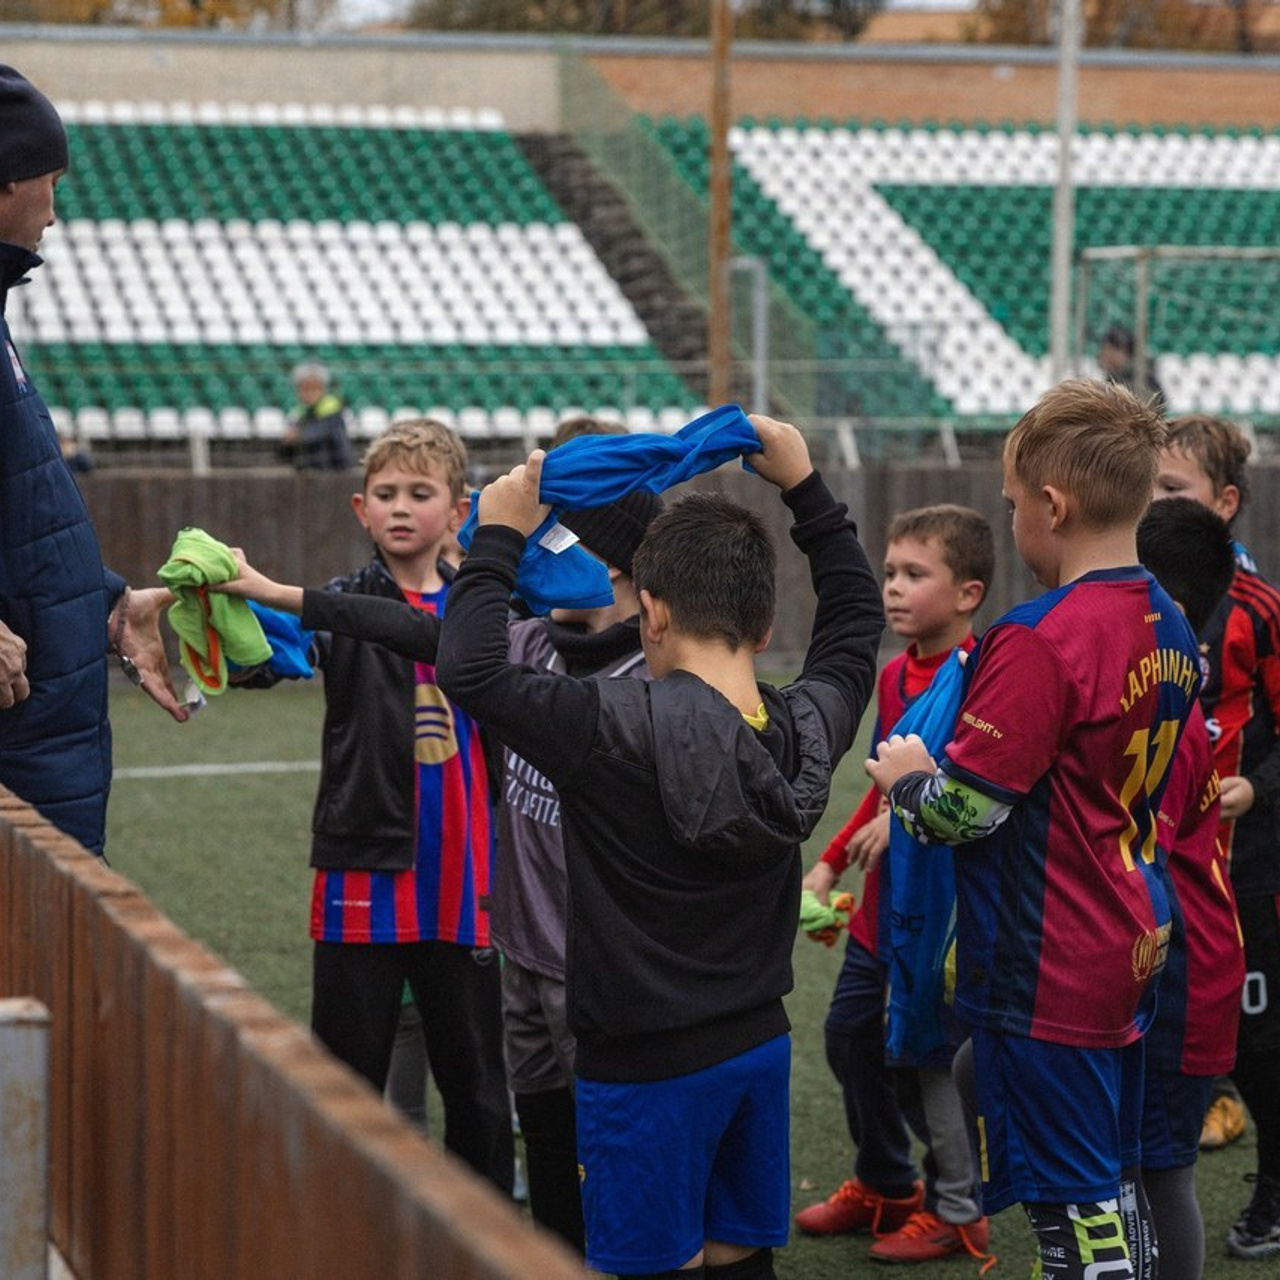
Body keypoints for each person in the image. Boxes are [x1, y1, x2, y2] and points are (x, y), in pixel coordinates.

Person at [434, 417, 884, 1280]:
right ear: (761, 626)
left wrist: (496, 535)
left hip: (639, 1071)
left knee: (649, 1261)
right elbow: (856, 618)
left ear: (655, 611)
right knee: (739, 1253)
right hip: (757, 1044)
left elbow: (472, 671)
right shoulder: (807, 723)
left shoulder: (609, 728)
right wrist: (804, 487)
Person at [867, 379, 1200, 1279]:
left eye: (1012, 506)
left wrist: (906, 781)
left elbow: (963, 811)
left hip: (1050, 966)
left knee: (1076, 1216)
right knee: (1112, 1186)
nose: (1012, 521)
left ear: (1050, 506)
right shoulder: (1169, 620)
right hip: (1131, 935)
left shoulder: (1040, 636)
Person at [221, 418, 513, 1193]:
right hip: (363, 874)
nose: (400, 507)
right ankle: (337, 1229)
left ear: (459, 511)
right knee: (344, 1087)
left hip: (465, 883)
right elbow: (270, 657)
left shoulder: (489, 616)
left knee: (480, 1093)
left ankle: (475, 1240)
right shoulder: (338, 604)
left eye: (421, 492)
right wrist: (214, 624)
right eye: (385, 493)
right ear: (359, 508)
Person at [798, 504, 992, 1264]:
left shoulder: (981, 678)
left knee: (928, 1064)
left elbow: (972, 791)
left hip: (939, 916)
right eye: (889, 573)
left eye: (916, 574)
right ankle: (885, 1181)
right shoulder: (893, 673)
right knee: (849, 1038)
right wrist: (830, 858)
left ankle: (958, 1209)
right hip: (884, 910)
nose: (894, 589)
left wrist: (913, 813)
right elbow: (884, 790)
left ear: (968, 593)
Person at [0, 64, 187, 855]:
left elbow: (21, 518)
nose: (56, 207)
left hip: (41, 744)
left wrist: (104, 604)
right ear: (9, 182)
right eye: (53, 179)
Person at [1152, 414, 1280, 1260]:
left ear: (1225, 502)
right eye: (1146, 487)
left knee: (1255, 1036)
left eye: (1172, 490)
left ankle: (1272, 1187)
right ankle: (1151, 1186)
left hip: (1247, 860)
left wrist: (1254, 789)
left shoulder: (1259, 612)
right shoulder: (1127, 595)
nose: (1151, 503)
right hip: (1157, 859)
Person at [1135, 496, 1246, 1279]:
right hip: (1177, 958)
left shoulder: (1165, 709)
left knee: (1161, 1167)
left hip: (1183, 969)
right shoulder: (1172, 687)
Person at [278, 361, 354, 471]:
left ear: (323, 388)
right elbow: (285, 453)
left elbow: (317, 435)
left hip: (333, 473)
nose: (309, 393)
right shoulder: (298, 414)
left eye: (314, 388)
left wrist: (297, 436)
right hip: (307, 475)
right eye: (304, 389)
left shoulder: (333, 409)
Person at [1098, 324, 1165, 408]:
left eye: (1107, 350)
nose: (1103, 355)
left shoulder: (1140, 378)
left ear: (1121, 352)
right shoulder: (1115, 376)